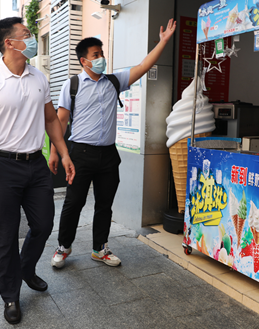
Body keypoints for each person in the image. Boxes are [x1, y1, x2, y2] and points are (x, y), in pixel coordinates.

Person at [0, 17, 75, 325]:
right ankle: (10, 296)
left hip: (36, 164)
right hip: (2, 166)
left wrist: (64, 153)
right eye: (26, 35)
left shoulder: (39, 78)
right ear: (9, 43)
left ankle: (26, 268)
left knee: (43, 225)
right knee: (6, 235)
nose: (31, 39)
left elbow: (51, 120)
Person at [49, 19, 177, 268]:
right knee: (73, 203)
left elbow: (143, 66)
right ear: (83, 61)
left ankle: (100, 248)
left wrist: (162, 42)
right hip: (80, 154)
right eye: (95, 55)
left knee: (104, 205)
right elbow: (60, 123)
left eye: (102, 53)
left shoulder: (114, 81)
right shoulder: (72, 85)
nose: (101, 58)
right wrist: (56, 153)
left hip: (108, 155)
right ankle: (64, 246)